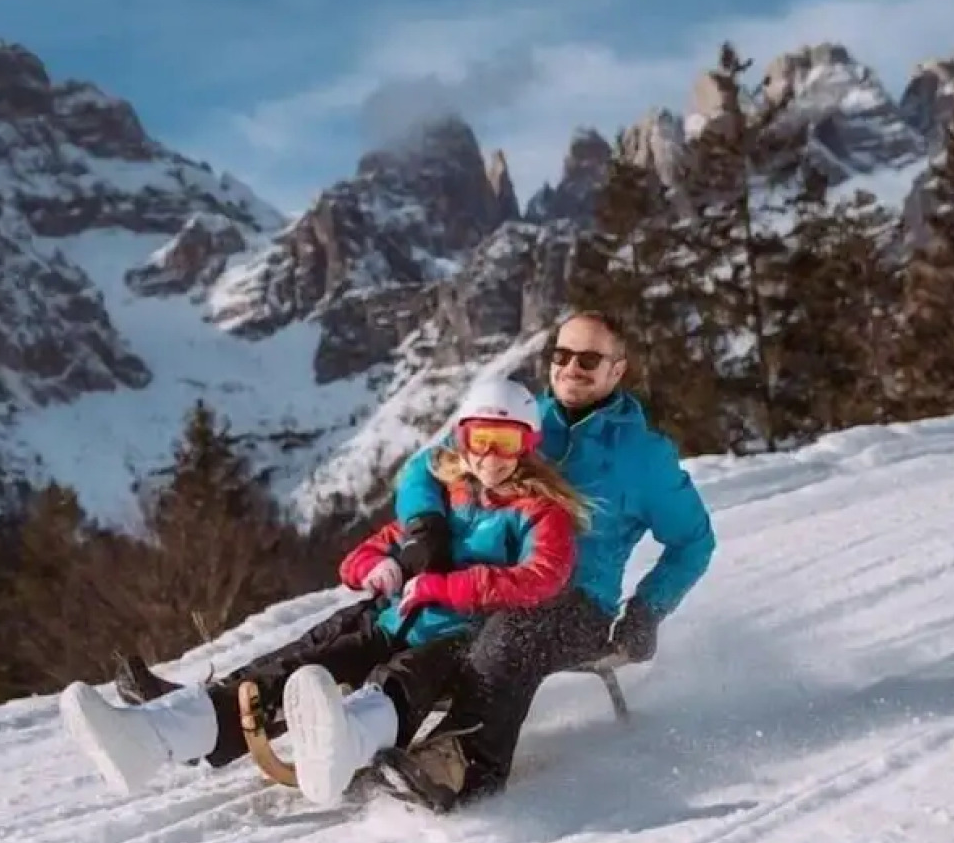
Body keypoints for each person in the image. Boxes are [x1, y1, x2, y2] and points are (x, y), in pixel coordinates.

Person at [56, 378, 589, 806]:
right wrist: (375, 569)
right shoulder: (445, 499)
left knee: (400, 683)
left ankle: (344, 746)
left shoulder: (539, 511)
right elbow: (370, 551)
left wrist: (447, 586)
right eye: (481, 440)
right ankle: (150, 739)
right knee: (289, 669)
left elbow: (544, 575)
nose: (492, 457)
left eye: (508, 442)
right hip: (388, 620)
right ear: (462, 440)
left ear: (529, 446)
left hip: (458, 636)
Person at [382, 307, 716, 809]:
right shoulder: (519, 422)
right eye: (562, 354)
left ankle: (460, 765)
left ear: (617, 370)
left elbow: (694, 540)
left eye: (589, 358)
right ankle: (370, 728)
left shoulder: (643, 457)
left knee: (513, 635)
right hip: (496, 581)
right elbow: (422, 470)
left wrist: (647, 610)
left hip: (580, 603)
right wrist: (425, 530)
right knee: (403, 624)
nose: (571, 367)